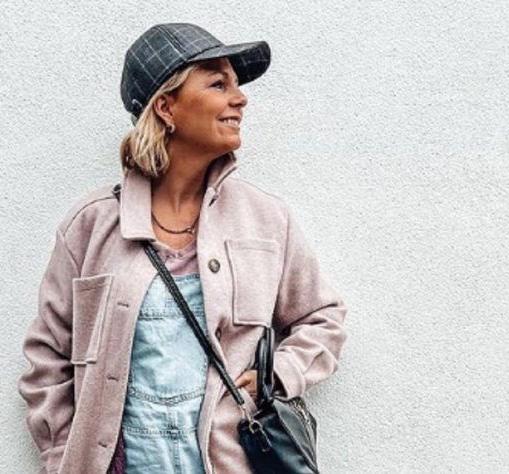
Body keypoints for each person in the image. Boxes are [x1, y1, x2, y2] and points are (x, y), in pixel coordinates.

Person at [18, 23, 348, 474]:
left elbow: (323, 318)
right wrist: (64, 460)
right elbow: (47, 357)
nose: (240, 98)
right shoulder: (91, 226)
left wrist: (279, 374)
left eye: (236, 84)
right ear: (166, 106)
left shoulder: (266, 220)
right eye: (218, 84)